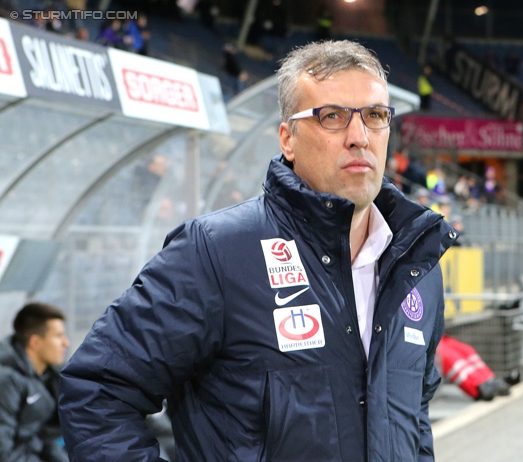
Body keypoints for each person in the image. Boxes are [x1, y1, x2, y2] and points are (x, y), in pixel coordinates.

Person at [58, 40, 458, 461]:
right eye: (333, 117)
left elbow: (414, 418)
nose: (359, 137)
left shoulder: (416, 265)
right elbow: (97, 391)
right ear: (288, 138)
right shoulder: (217, 253)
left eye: (375, 116)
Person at [0, 303, 70, 462]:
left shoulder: (51, 376)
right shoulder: (6, 381)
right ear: (35, 342)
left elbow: (43, 436)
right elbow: (3, 453)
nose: (66, 343)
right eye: (58, 336)